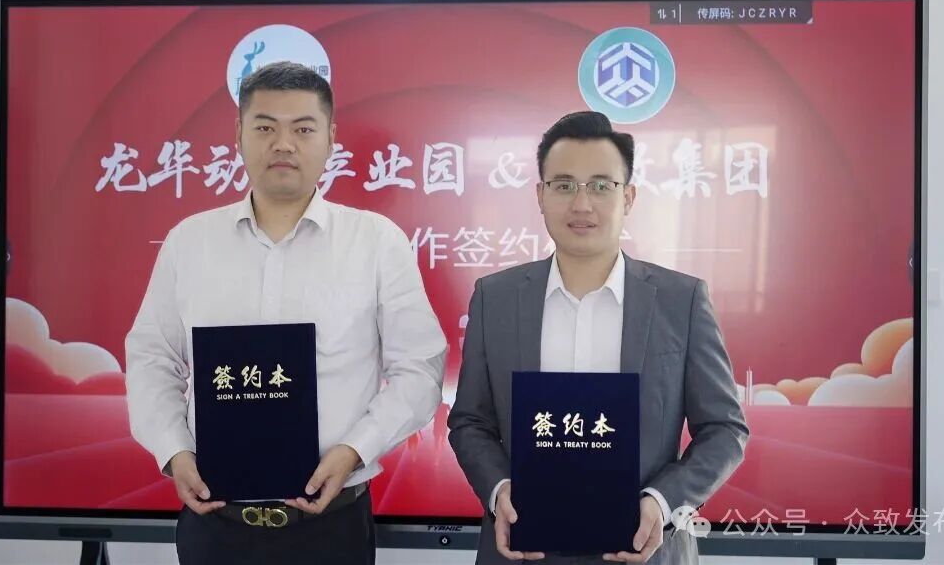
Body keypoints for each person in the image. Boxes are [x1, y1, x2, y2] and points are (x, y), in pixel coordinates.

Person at [126, 61, 448, 565]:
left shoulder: (376, 242)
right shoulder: (189, 242)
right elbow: (152, 358)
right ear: (238, 135)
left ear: (330, 138)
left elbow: (419, 369)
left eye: (302, 129)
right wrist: (173, 450)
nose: (283, 144)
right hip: (215, 528)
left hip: (331, 529)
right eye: (264, 128)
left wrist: (355, 450)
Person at [449, 111, 749, 564]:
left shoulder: (681, 300)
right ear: (540, 195)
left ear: (628, 196)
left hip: (644, 549)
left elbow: (725, 430)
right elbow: (470, 421)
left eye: (601, 185)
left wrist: (664, 502)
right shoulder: (496, 298)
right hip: (524, 550)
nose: (582, 204)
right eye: (564, 185)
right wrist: (499, 489)